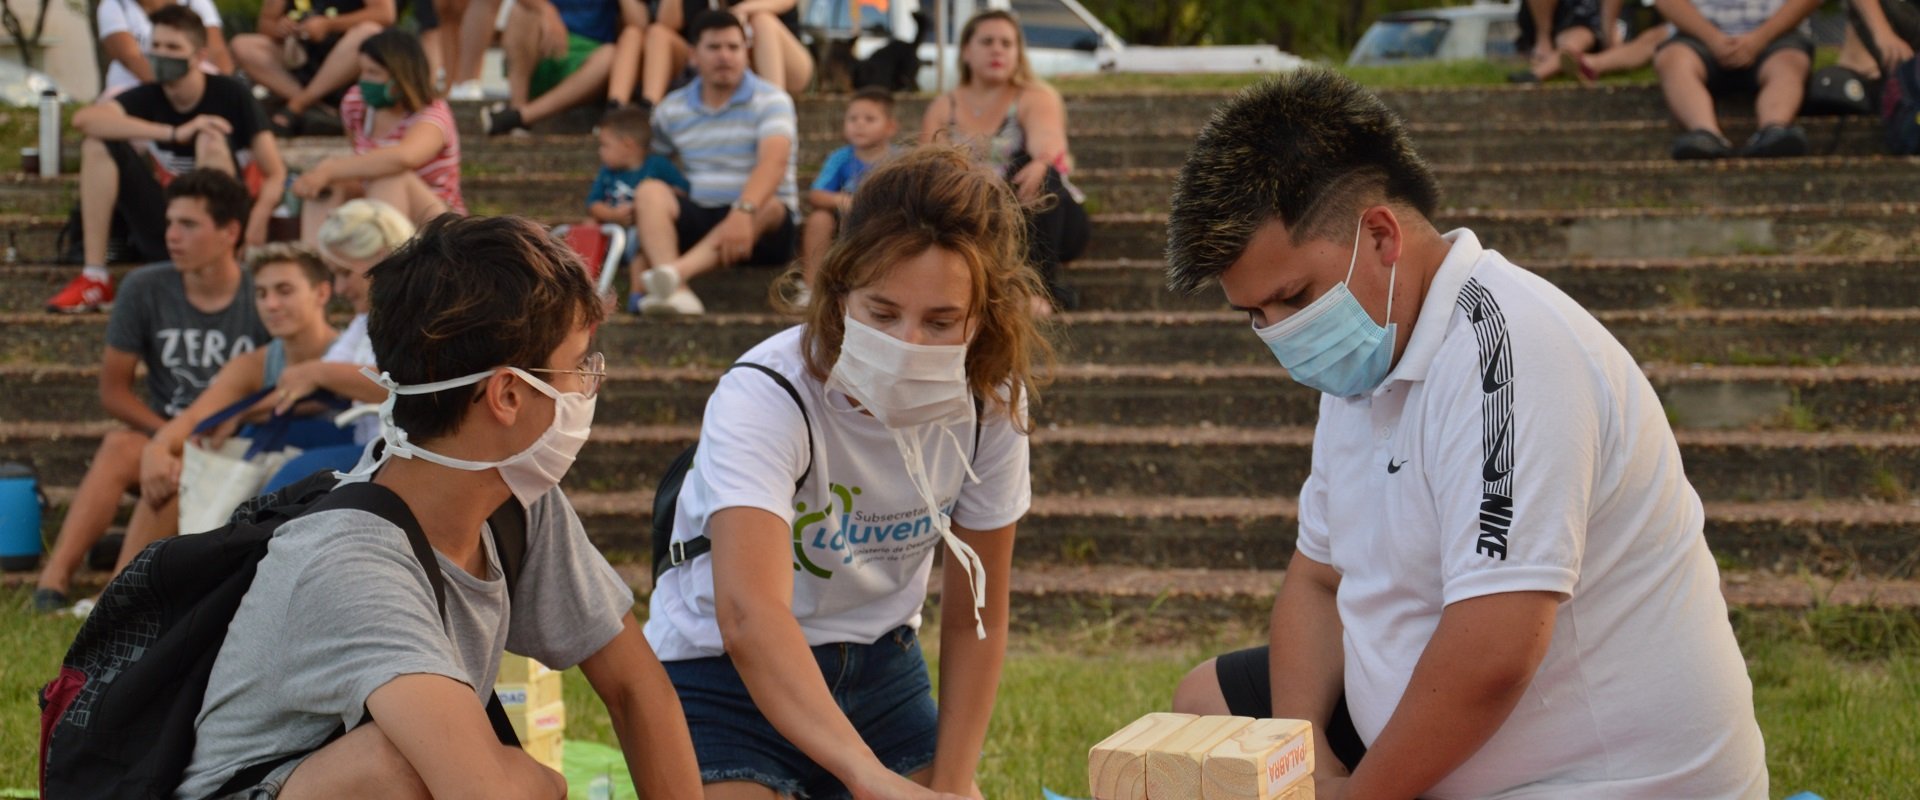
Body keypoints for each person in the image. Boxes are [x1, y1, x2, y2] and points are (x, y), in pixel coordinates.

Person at [1161, 70, 1768, 797]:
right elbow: (1317, 580)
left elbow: (1495, 652)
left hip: (1590, 777)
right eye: (1255, 315)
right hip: (1435, 722)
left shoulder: (1508, 355)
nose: (1282, 335)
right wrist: (1302, 751)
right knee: (1207, 708)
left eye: (1293, 298)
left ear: (1381, 235)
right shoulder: (1368, 357)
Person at [175, 213, 704, 799]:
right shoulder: (351, 565)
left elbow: (637, 689)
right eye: (580, 364)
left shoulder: (516, 500)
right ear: (507, 394)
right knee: (423, 771)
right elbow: (484, 793)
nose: (589, 384)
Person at [645, 145, 1046, 800]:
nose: (905, 344)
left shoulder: (991, 401)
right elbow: (749, 615)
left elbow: (981, 614)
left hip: (880, 670)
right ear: (839, 294)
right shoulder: (767, 393)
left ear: (985, 316)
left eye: (942, 322)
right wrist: (866, 779)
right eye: (882, 314)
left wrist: (949, 784)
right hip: (723, 677)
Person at [31, 170, 270, 613]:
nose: (172, 236)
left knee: (162, 458)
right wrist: (170, 434)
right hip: (167, 433)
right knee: (121, 446)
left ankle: (115, 601)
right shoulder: (145, 287)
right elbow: (113, 392)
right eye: (170, 223)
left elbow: (284, 384)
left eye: (189, 225)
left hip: (234, 445)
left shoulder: (264, 294)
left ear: (230, 232)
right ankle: (51, 586)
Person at [50, 5, 285, 314]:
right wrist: (173, 132)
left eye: (172, 47)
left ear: (199, 56)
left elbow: (276, 172)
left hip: (224, 226)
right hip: (167, 223)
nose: (161, 55)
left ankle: (216, 265)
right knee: (97, 143)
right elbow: (85, 120)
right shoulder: (149, 94)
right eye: (156, 47)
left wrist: (256, 222)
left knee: (210, 138)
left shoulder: (231, 94)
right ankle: (95, 277)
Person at [137, 244, 353, 518]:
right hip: (269, 478)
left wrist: (247, 413)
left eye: (284, 291)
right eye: (261, 293)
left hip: (333, 486)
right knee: (170, 476)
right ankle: (130, 562)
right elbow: (198, 415)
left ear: (322, 292)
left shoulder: (352, 351)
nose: (270, 304)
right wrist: (158, 446)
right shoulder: (255, 363)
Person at [919, 9, 1087, 314]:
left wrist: (1041, 160)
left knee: (1038, 168)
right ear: (967, 51)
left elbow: (1049, 145)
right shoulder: (944, 106)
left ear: (1017, 53)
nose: (997, 49)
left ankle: (1040, 288)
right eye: (987, 41)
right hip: (974, 212)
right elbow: (928, 166)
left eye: (1006, 44)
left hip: (1041, 215)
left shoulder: (1033, 95)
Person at [632, 10, 799, 316]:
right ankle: (677, 294)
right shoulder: (672, 108)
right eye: (714, 47)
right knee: (649, 192)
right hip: (702, 212)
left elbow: (773, 163)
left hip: (762, 223)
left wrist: (743, 210)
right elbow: (654, 162)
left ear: (746, 54)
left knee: (771, 205)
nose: (725, 56)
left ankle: (673, 273)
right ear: (694, 55)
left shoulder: (772, 100)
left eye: (734, 47)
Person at [260, 199, 415, 488]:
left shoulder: (418, 312)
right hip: (367, 437)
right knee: (257, 436)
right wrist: (239, 415)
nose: (340, 289)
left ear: (381, 258)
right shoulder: (366, 316)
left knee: (290, 479)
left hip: (405, 451)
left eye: (345, 273)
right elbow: (317, 383)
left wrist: (317, 372)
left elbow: (404, 384)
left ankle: (254, 533)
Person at [292, 29, 465, 240]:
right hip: (376, 205)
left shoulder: (432, 114)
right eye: (362, 72)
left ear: (400, 75)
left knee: (389, 176)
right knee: (330, 185)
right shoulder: (356, 103)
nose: (364, 81)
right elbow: (361, 163)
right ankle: (317, 263)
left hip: (437, 224)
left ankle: (386, 264)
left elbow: (404, 157)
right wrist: (327, 177)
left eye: (373, 73)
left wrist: (330, 169)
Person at [1653, 0, 1820, 159]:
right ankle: (1704, 132)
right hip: (1696, 37)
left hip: (1778, 36)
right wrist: (1713, 38)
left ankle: (1775, 128)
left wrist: (1760, 38)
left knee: (1789, 62)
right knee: (1672, 60)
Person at [479, 0, 650, 135]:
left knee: (611, 55)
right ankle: (518, 105)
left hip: (590, 63)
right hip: (543, 48)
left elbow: (639, 24)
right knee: (521, 11)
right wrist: (547, 11)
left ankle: (520, 116)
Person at [229, 0, 395, 136]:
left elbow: (385, 15)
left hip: (347, 61)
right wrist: (280, 28)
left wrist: (329, 25)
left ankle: (298, 106)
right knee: (242, 45)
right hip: (300, 62)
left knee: (368, 32)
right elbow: (265, 25)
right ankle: (318, 110)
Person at [584, 105, 691, 313]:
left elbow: (682, 190)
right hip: (613, 233)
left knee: (641, 244)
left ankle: (636, 293)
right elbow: (593, 204)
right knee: (588, 227)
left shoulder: (658, 166)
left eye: (605, 145)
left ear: (627, 145)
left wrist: (650, 203)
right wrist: (613, 215)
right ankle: (584, 288)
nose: (600, 152)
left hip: (638, 233)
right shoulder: (607, 173)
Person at [801, 86, 898, 289]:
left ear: (890, 127)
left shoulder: (900, 160)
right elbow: (817, 194)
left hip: (887, 221)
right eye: (852, 119)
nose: (859, 125)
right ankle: (811, 287)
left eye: (869, 119)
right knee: (819, 219)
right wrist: (840, 200)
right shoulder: (840, 158)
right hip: (845, 220)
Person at [638, 0, 814, 106]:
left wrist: (740, 12)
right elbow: (666, 22)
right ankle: (650, 110)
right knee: (657, 32)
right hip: (712, 59)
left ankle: (775, 107)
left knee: (762, 20)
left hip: (786, 61)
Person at [97, 0, 234, 98]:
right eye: (155, 46)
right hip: (134, 87)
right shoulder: (114, 5)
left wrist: (221, 92)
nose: (161, 52)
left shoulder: (195, 2)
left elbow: (217, 51)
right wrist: (172, 94)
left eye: (172, 47)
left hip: (193, 90)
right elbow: (132, 60)